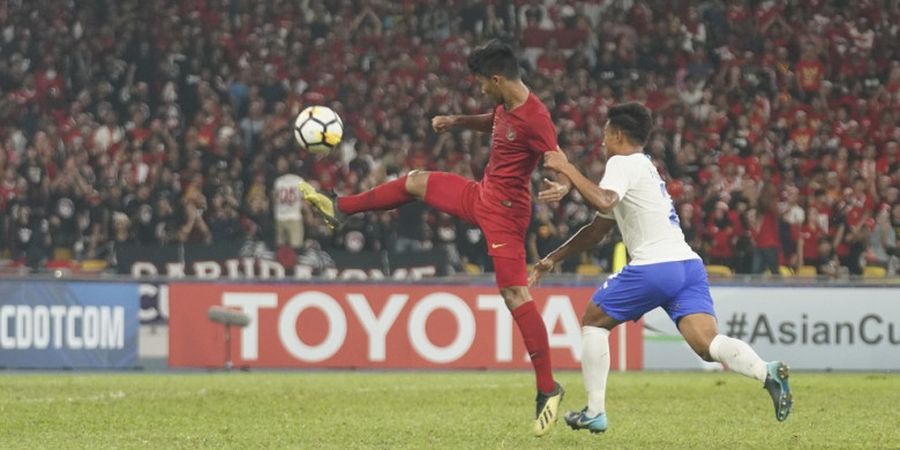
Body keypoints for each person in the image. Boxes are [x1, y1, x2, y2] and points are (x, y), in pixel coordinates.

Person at [299, 40, 571, 437]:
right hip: (482, 194)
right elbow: (493, 120)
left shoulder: (536, 117)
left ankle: (548, 388)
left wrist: (562, 184)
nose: (479, 89)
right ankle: (342, 210)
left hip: (506, 215)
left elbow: (556, 158)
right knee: (416, 181)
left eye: (481, 83)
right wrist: (457, 121)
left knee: (515, 295)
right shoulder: (505, 104)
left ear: (497, 79)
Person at [531, 102, 792, 434]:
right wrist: (553, 258)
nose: (601, 141)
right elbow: (598, 228)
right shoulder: (645, 167)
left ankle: (595, 411)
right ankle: (766, 371)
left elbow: (603, 201)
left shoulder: (621, 163)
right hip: (687, 265)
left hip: (655, 266)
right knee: (708, 344)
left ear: (618, 135)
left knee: (593, 321)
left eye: (605, 134)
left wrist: (567, 169)